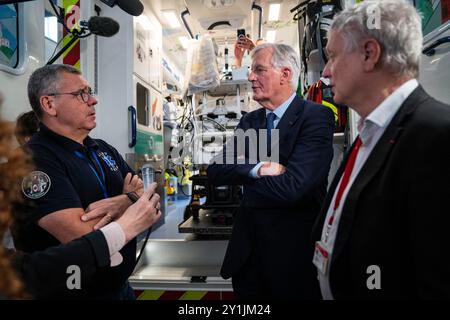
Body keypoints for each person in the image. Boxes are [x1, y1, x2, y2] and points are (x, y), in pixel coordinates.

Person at [312, 0, 450, 299]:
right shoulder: (371, 132)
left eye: (333, 56)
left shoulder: (436, 137)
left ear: (369, 54)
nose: (325, 71)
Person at [11, 64, 158, 299]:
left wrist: (125, 200)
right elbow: (85, 238)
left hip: (120, 289)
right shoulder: (33, 160)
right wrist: (134, 207)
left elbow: (149, 197)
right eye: (81, 94)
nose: (93, 100)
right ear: (49, 104)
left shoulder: (102, 149)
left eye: (90, 91)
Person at [208, 43, 335, 299]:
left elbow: (293, 188)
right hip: (249, 260)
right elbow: (217, 170)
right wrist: (259, 168)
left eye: (259, 70)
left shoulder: (315, 117)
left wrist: (242, 173)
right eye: (251, 71)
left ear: (285, 74)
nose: (251, 77)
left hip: (293, 263)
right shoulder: (251, 121)